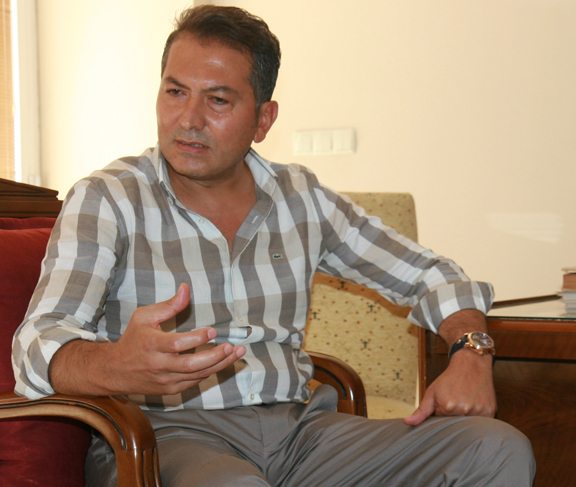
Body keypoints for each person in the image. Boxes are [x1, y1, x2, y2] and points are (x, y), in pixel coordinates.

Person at [13, 5, 535, 486]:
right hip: (164, 436)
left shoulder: (299, 197)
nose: (188, 119)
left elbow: (432, 275)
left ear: (263, 119)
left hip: (301, 433)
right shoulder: (108, 198)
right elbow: (37, 342)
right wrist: (114, 364)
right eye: (175, 92)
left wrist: (471, 352)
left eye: (218, 99)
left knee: (495, 449)